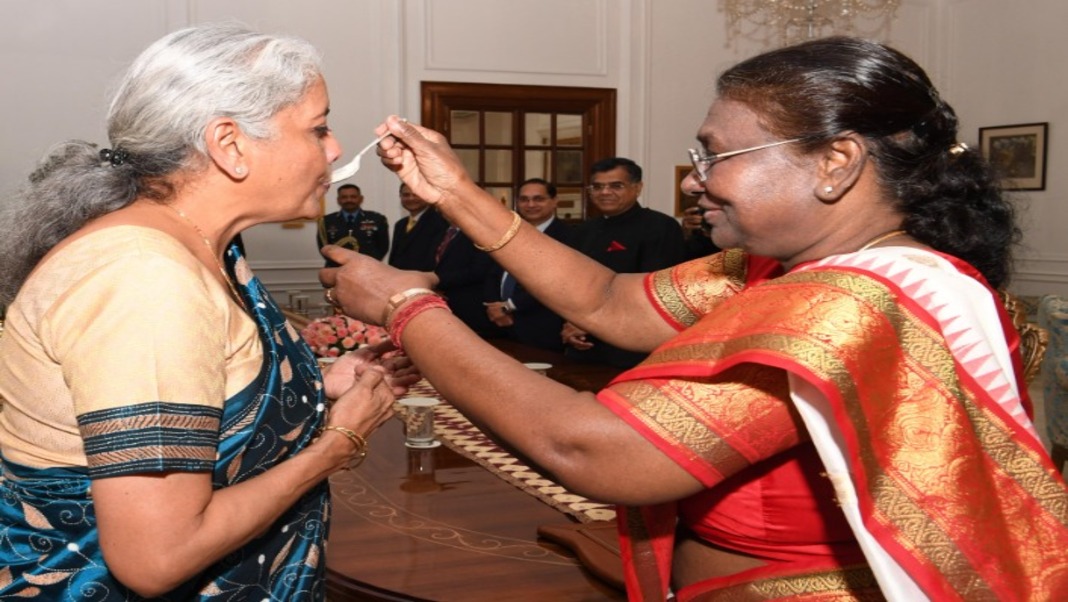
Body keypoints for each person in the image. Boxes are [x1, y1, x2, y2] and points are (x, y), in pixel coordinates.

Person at [321, 37, 1068, 600]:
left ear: (836, 162)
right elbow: (608, 301)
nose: (697, 182)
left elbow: (594, 450)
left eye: (717, 155)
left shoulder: (852, 302)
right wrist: (455, 192)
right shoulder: (786, 265)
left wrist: (404, 304)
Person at [0, 23, 412, 600]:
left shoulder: (203, 245)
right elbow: (157, 558)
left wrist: (318, 383)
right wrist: (338, 444)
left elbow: (202, 395)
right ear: (229, 144)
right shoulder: (146, 278)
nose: (335, 148)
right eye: (317, 126)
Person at [563, 156, 685, 368]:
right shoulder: (583, 231)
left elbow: (650, 290)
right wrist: (571, 323)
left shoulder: (660, 226)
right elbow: (570, 283)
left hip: (631, 347)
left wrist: (590, 323)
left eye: (616, 186)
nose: (605, 192)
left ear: (637, 188)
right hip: (582, 344)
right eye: (598, 187)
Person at [484, 178, 572, 351]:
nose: (530, 204)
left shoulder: (567, 237)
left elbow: (553, 282)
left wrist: (509, 306)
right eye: (524, 199)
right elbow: (492, 272)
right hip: (500, 324)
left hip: (541, 325)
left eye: (538, 199)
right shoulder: (508, 233)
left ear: (554, 201)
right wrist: (494, 306)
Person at [317, 183, 390, 266]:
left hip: (368, 269)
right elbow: (324, 248)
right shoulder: (327, 221)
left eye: (353, 197)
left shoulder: (377, 219)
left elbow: (383, 247)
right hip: (336, 268)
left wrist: (367, 264)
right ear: (338, 200)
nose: (349, 200)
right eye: (344, 197)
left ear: (361, 199)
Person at [387, 182, 448, 271]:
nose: (411, 198)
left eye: (416, 195)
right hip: (399, 279)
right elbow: (394, 258)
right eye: (406, 195)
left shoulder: (439, 223)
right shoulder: (400, 224)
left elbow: (434, 260)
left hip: (422, 281)